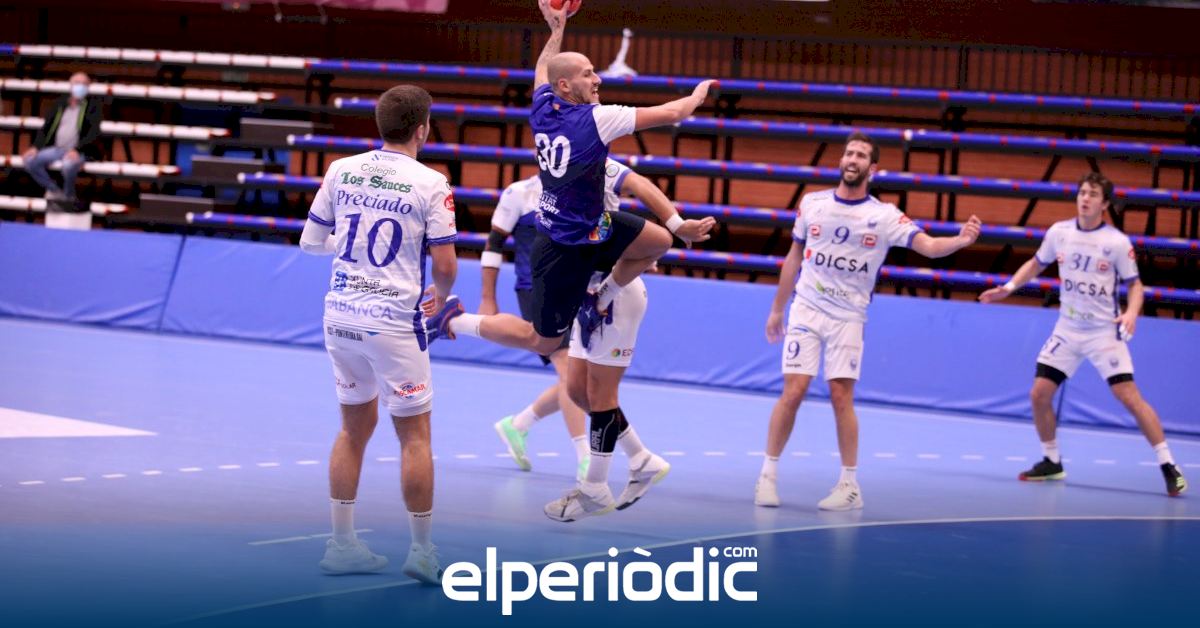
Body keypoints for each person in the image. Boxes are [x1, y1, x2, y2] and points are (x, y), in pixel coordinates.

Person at [425, 0, 714, 521]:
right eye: (587, 73)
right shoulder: (595, 122)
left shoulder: (543, 109)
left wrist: (555, 29)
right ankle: (640, 460)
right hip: (574, 247)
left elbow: (541, 70)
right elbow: (668, 115)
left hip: (597, 256)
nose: (597, 78)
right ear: (567, 87)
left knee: (593, 387)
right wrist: (694, 98)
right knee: (575, 385)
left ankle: (597, 486)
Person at [756, 131, 982, 511]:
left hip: (848, 316)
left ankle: (849, 486)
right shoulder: (812, 203)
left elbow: (927, 246)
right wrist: (778, 307)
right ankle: (767, 475)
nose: (853, 159)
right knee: (793, 391)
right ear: (840, 160)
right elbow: (794, 256)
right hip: (806, 308)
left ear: (872, 168)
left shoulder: (884, 216)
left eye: (861, 155)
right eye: (849, 153)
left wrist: (959, 241)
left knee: (840, 396)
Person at [298, 84, 456, 582]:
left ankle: (341, 545)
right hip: (393, 323)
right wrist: (440, 296)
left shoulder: (340, 169)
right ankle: (422, 552)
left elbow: (311, 242)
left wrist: (353, 252)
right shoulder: (431, 182)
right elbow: (445, 265)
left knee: (352, 429)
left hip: (341, 315)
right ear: (422, 129)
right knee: (415, 436)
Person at [979, 172, 1186, 497]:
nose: (1085, 198)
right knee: (1039, 394)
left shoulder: (1116, 242)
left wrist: (1131, 312)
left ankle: (1168, 465)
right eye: (1082, 193)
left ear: (1104, 204)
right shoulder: (1059, 233)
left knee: (1129, 397)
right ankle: (1051, 461)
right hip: (1068, 328)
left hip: (1103, 333)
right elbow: (1036, 264)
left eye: (1093, 194)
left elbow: (1135, 285)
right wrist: (1009, 287)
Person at [22, 72, 102, 205]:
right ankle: (55, 191)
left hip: (81, 151)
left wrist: (77, 150)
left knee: (68, 166)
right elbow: (46, 128)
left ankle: (68, 197)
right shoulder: (60, 104)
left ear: (88, 87)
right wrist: (36, 147)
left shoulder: (93, 107)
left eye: (84, 84)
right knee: (30, 161)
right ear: (70, 85)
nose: (80, 86)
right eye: (77, 83)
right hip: (58, 149)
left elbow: (93, 133)